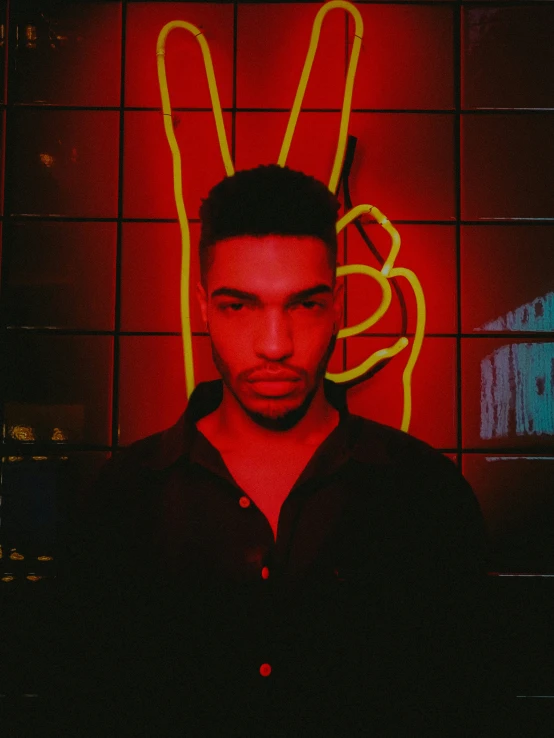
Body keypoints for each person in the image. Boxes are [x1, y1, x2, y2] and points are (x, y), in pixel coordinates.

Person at [47, 164, 513, 737]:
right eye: (239, 306)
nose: (275, 345)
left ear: (338, 303)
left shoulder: (425, 497)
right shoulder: (121, 503)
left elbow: (474, 708)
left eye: (304, 305)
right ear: (202, 305)